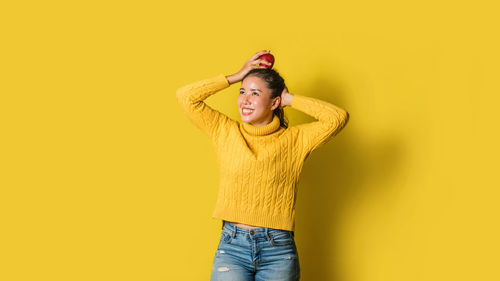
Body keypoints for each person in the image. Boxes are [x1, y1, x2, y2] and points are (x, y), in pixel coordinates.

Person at [176, 50, 350, 281]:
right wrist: (236, 76)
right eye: (242, 92)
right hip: (232, 247)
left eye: (255, 93)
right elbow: (185, 96)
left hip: (277, 249)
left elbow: (337, 117)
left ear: (274, 102)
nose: (245, 100)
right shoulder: (225, 131)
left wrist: (290, 99)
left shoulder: (295, 140)